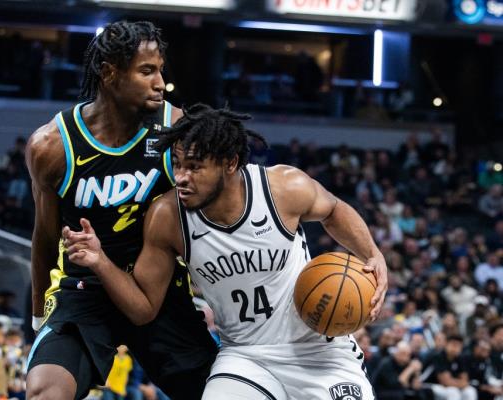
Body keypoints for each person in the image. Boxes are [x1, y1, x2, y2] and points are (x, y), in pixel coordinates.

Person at [63, 104, 388, 399]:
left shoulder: (283, 188)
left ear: (230, 163)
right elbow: (144, 309)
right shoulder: (168, 217)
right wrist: (99, 261)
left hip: (319, 349)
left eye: (194, 166)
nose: (180, 178)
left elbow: (334, 211)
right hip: (245, 357)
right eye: (176, 164)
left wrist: (372, 253)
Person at [25, 21, 217, 400]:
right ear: (110, 72)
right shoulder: (52, 146)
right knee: (45, 393)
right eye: (147, 71)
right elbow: (44, 237)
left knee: (220, 393)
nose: (160, 82)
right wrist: (37, 316)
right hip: (85, 291)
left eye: (160, 70)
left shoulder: (174, 129)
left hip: (157, 289)